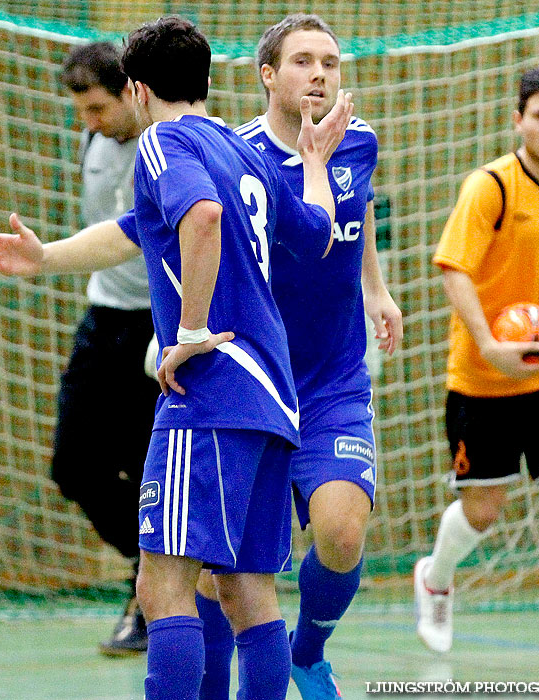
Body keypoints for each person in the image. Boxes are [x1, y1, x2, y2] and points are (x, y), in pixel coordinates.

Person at [0, 16, 354, 700]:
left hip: (210, 391)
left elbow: (198, 217)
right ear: (207, 81)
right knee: (244, 589)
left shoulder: (162, 143)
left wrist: (192, 331)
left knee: (163, 584)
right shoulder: (247, 154)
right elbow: (316, 232)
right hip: (273, 398)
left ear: (138, 90)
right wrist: (48, 257)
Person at [193, 14, 403, 700]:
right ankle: (206, 682)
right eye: (303, 62)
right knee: (211, 568)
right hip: (252, 381)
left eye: (330, 63)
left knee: (342, 532)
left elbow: (358, 209)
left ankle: (306, 653)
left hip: (332, 381)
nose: (320, 75)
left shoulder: (358, 140)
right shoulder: (235, 155)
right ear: (267, 75)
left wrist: (376, 288)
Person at [415, 66, 539, 665]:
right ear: (518, 120)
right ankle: (436, 578)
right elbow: (454, 268)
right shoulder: (489, 187)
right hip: (483, 376)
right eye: (538, 115)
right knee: (482, 510)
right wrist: (490, 345)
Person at [59, 42, 161, 656]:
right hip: (106, 320)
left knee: (153, 470)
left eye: (97, 107)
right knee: (73, 465)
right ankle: (153, 568)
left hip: (161, 325)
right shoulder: (93, 140)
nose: (89, 122)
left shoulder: (167, 149)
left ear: (131, 91)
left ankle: (154, 594)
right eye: (81, 111)